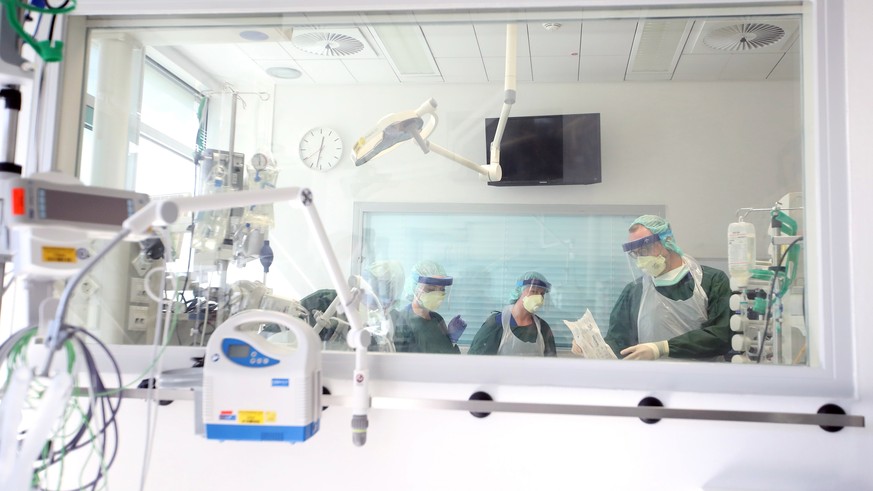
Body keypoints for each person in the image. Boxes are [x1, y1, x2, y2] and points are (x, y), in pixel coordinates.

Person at [603, 215, 732, 361]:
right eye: (636, 253)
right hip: (653, 379)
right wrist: (594, 346)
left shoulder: (711, 281)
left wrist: (663, 348)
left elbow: (721, 335)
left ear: (667, 241)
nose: (641, 259)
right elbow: (619, 341)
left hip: (700, 378)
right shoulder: (634, 291)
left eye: (645, 249)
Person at [468, 271, 557, 357]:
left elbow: (552, 365)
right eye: (533, 291)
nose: (539, 297)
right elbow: (476, 362)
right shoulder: (497, 324)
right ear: (519, 291)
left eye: (542, 294)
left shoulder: (543, 328)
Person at [393, 260, 466, 354]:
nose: (437, 294)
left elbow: (448, 359)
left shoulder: (437, 319)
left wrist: (451, 341)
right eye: (430, 289)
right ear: (415, 287)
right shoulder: (403, 322)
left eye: (442, 289)